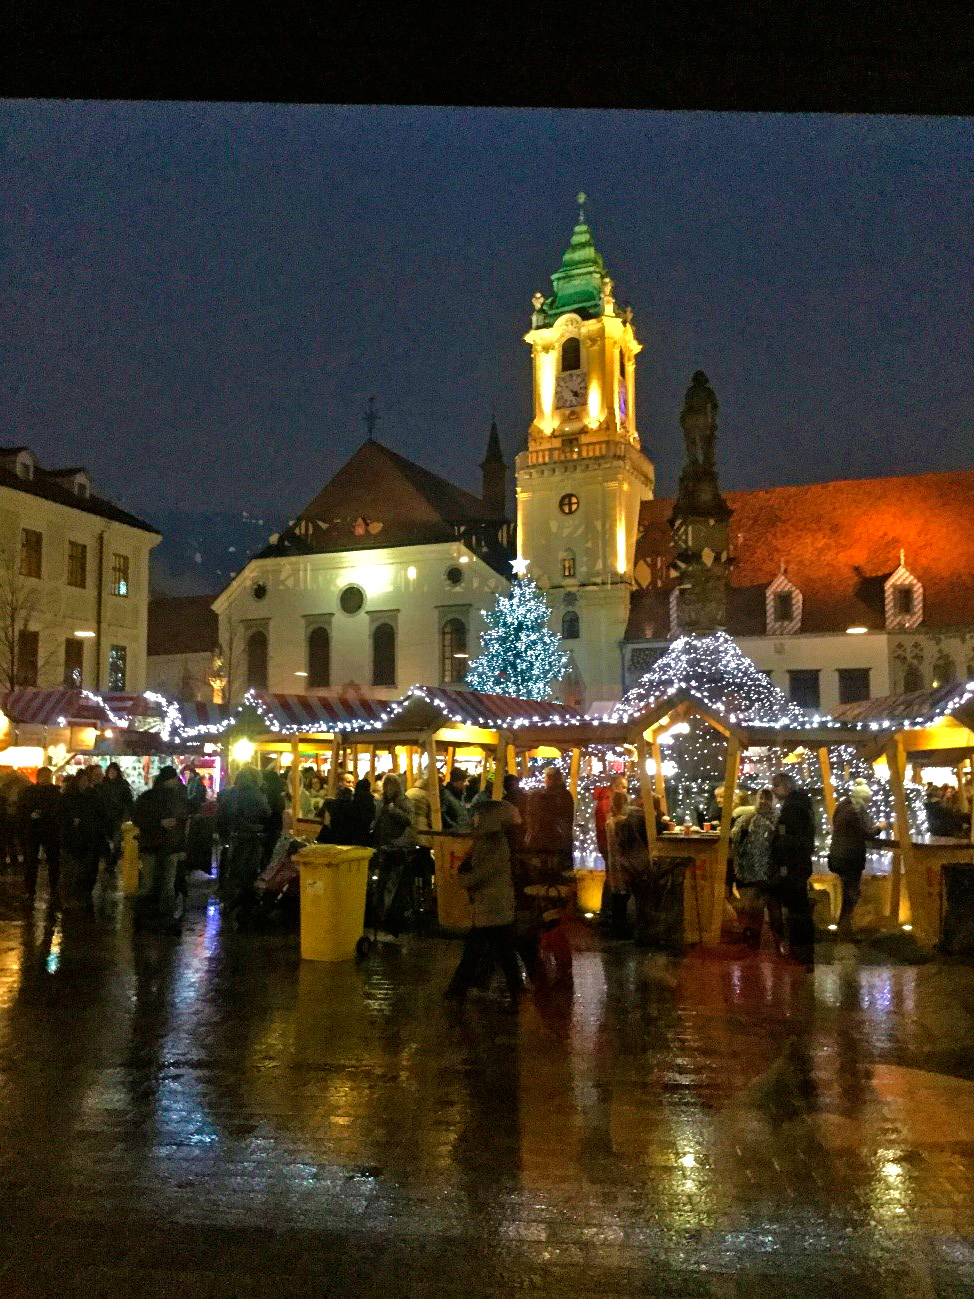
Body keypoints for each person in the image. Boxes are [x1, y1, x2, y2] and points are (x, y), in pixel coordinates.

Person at [444, 795, 523, 1010]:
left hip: (492, 906)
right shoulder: (492, 841)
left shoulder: (493, 844)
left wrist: (462, 880)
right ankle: (516, 992)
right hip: (493, 906)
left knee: (478, 951)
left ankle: (457, 991)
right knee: (501, 952)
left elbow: (484, 873)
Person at [131, 766, 190, 930]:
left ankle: (152, 917)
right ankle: (155, 916)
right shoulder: (153, 798)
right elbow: (139, 818)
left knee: (160, 884)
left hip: (163, 846)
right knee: (158, 884)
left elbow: (181, 823)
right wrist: (159, 823)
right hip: (160, 846)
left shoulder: (161, 798)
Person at [770, 771, 817, 965]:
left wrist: (779, 849)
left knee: (796, 904)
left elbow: (789, 838)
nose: (773, 791)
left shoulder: (792, 808)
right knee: (799, 903)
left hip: (792, 864)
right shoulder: (802, 804)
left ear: (784, 786)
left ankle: (800, 946)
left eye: (776, 786)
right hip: (800, 862)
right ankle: (802, 945)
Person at [828, 779, 885, 938]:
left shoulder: (842, 807)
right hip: (849, 858)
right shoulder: (855, 810)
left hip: (838, 855)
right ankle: (846, 929)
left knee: (848, 892)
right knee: (851, 893)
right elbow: (867, 833)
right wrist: (880, 827)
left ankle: (844, 927)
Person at [371, 774, 416, 942]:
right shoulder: (384, 802)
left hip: (397, 848)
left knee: (390, 885)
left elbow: (409, 820)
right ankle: (383, 917)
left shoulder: (400, 802)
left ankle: (388, 918)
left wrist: (393, 811)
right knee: (384, 885)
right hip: (387, 847)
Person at [732, 788, 779, 948]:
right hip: (750, 869)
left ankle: (753, 932)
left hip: (760, 870)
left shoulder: (775, 820)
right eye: (762, 798)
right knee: (751, 904)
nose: (764, 802)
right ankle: (752, 932)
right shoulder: (746, 818)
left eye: (767, 798)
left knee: (756, 904)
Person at [223, 766, 271, 923]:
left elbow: (223, 814)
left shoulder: (230, 792)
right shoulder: (256, 794)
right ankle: (243, 907)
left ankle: (230, 903)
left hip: (234, 836)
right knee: (249, 872)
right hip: (252, 837)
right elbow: (266, 812)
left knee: (234, 871)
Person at [61, 768, 111, 910]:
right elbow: (60, 815)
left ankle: (83, 896)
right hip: (73, 840)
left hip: (90, 839)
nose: (84, 784)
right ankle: (72, 898)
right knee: (72, 871)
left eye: (86, 781)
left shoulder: (93, 796)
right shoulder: (69, 797)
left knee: (88, 871)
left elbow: (103, 814)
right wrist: (72, 821)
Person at [19, 766, 62, 900]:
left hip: (47, 830)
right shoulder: (31, 791)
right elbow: (24, 810)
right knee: (33, 861)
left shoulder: (54, 792)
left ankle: (51, 887)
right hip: (37, 830)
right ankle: (31, 888)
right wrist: (32, 815)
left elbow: (58, 810)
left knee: (51, 860)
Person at [526, 765, 575, 866]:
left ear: (550, 779)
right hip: (561, 834)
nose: (545, 780)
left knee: (548, 858)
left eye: (546, 778)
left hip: (550, 833)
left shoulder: (547, 795)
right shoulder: (566, 794)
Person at [603, 789, 632, 938]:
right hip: (622, 862)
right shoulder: (622, 822)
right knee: (622, 895)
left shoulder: (610, 820)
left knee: (616, 894)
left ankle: (617, 926)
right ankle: (621, 928)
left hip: (614, 861)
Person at [98, 761, 134, 867]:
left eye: (114, 771)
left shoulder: (122, 785)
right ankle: (110, 861)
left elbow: (128, 801)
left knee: (117, 842)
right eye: (110, 771)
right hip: (107, 817)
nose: (112, 773)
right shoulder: (104, 785)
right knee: (107, 841)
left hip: (118, 817)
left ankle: (111, 863)